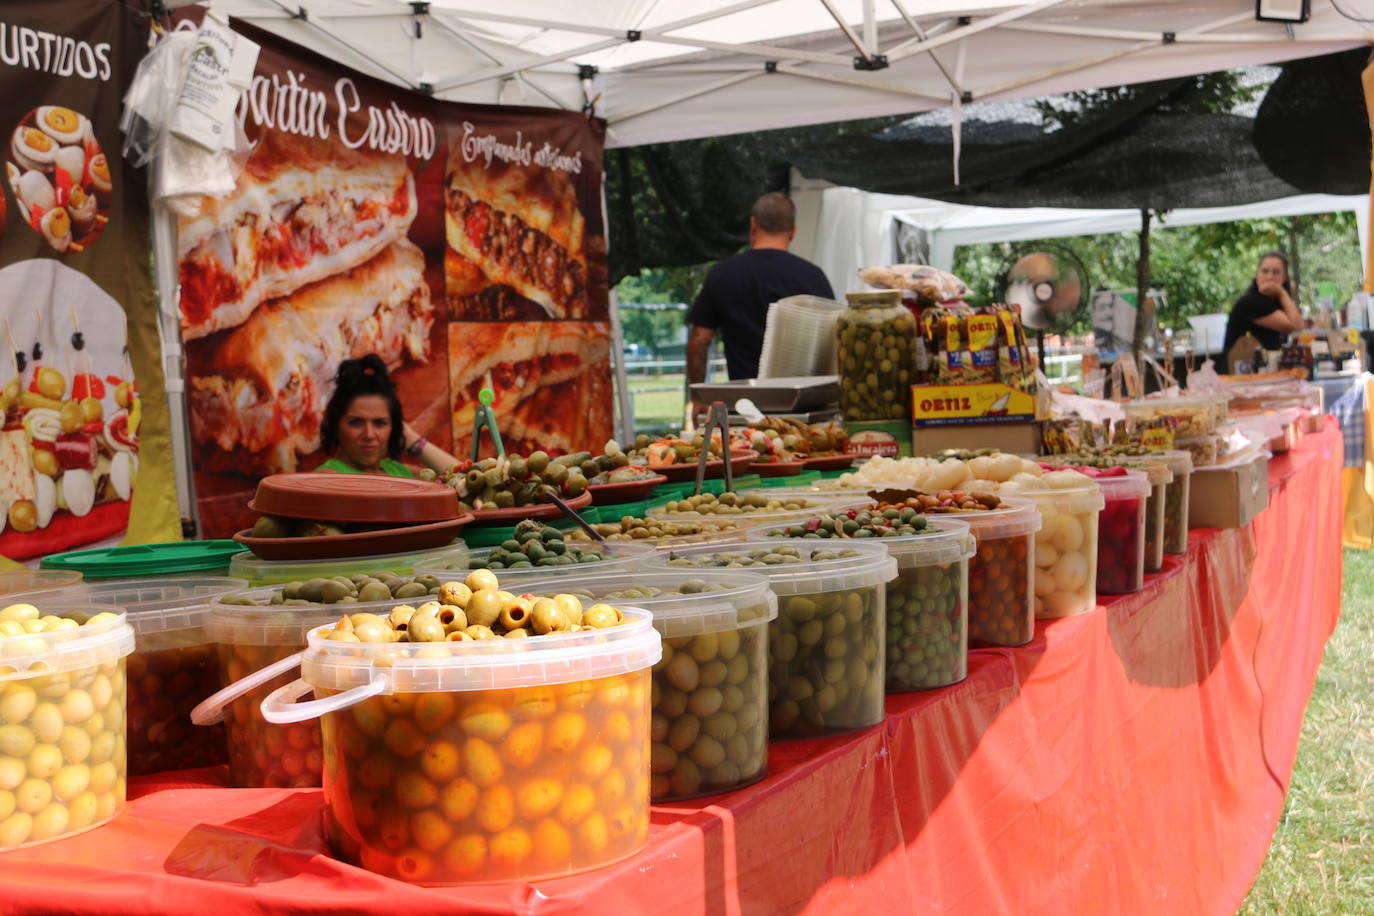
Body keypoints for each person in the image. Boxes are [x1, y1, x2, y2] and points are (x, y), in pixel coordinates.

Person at [686, 192, 834, 405]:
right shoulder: (813, 276)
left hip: (745, 407)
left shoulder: (722, 274)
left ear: (753, 224)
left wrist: (698, 399)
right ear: (792, 231)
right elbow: (833, 343)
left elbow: (699, 340)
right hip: (803, 407)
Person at [317, 354, 457, 477]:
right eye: (356, 423)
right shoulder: (325, 479)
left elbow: (465, 480)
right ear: (335, 426)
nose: (369, 435)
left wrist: (413, 442)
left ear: (395, 427)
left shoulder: (400, 472)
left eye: (379, 423)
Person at [1223, 251, 1302, 368]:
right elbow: (1294, 326)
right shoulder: (1250, 302)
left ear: (1285, 277)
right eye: (1265, 271)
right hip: (1240, 377)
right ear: (1257, 274)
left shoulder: (1274, 302)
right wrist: (1281, 293)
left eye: (1276, 272)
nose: (1269, 277)